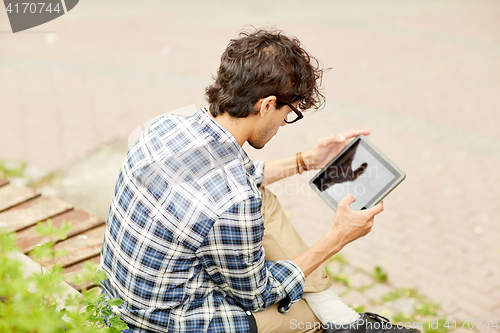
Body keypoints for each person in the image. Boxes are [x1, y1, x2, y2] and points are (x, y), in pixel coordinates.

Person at [99, 28, 419, 333]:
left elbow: (240, 177)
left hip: (120, 295)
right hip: (167, 324)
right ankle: (336, 316)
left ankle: (332, 307)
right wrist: (337, 236)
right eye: (288, 112)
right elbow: (259, 294)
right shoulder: (237, 200)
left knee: (260, 195)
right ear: (266, 105)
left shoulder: (165, 126)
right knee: (308, 318)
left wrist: (307, 160)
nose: (283, 123)